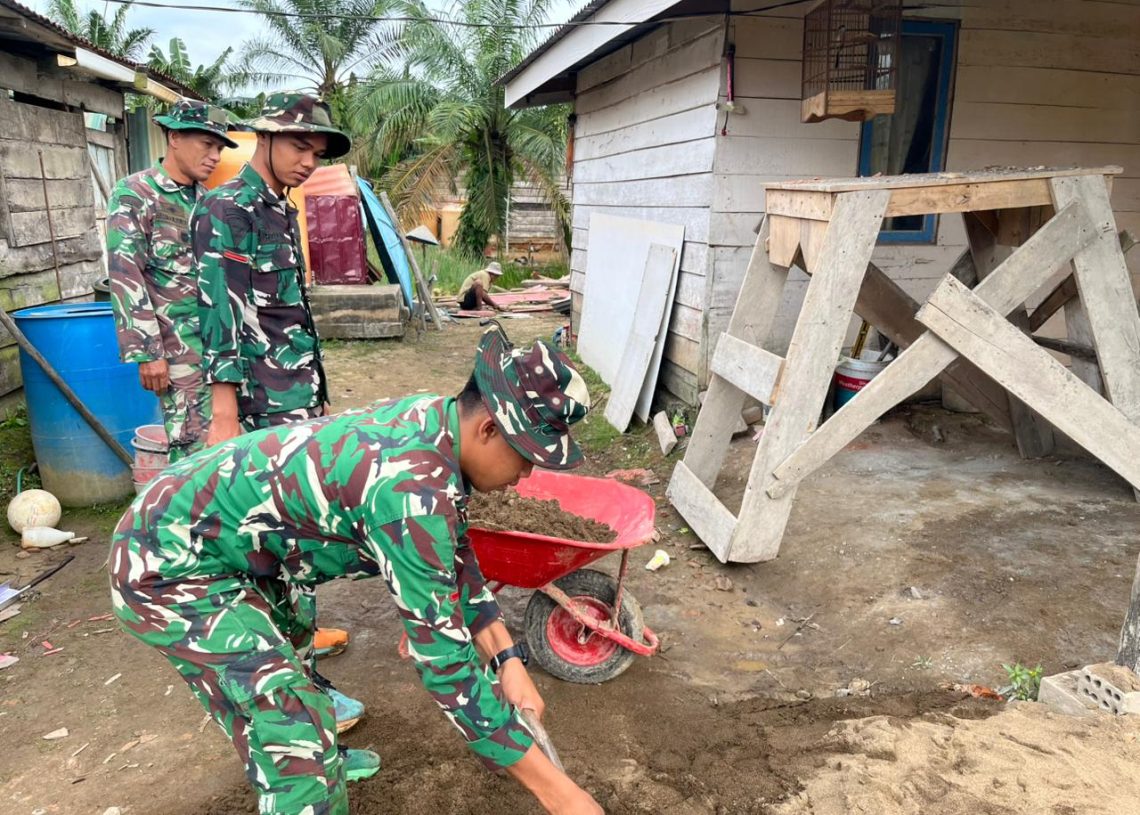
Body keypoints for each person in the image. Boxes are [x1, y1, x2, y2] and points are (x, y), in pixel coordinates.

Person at [108, 326, 604, 815]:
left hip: (233, 543)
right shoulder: (410, 495)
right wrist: (559, 795)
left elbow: (454, 558)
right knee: (289, 718)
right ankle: (303, 778)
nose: (526, 478)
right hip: (167, 562)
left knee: (294, 652)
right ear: (489, 430)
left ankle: (317, 762)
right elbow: (446, 667)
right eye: (526, 459)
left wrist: (508, 662)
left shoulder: (437, 422)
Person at [191, 90, 363, 732]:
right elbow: (221, 315)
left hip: (291, 398)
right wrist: (225, 414)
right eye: (298, 145)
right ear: (263, 138)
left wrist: (313, 395)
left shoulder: (276, 207)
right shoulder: (227, 207)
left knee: (297, 536)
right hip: (258, 406)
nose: (307, 161)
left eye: (316, 153)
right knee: (279, 542)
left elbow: (287, 313)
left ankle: (297, 658)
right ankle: (300, 694)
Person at [106, 100, 237, 462]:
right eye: (206, 144)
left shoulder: (208, 202)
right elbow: (124, 274)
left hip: (220, 349)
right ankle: (184, 516)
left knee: (226, 446)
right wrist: (148, 353)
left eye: (220, 148)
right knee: (192, 446)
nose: (214, 156)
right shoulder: (137, 194)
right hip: (176, 350)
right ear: (175, 137)